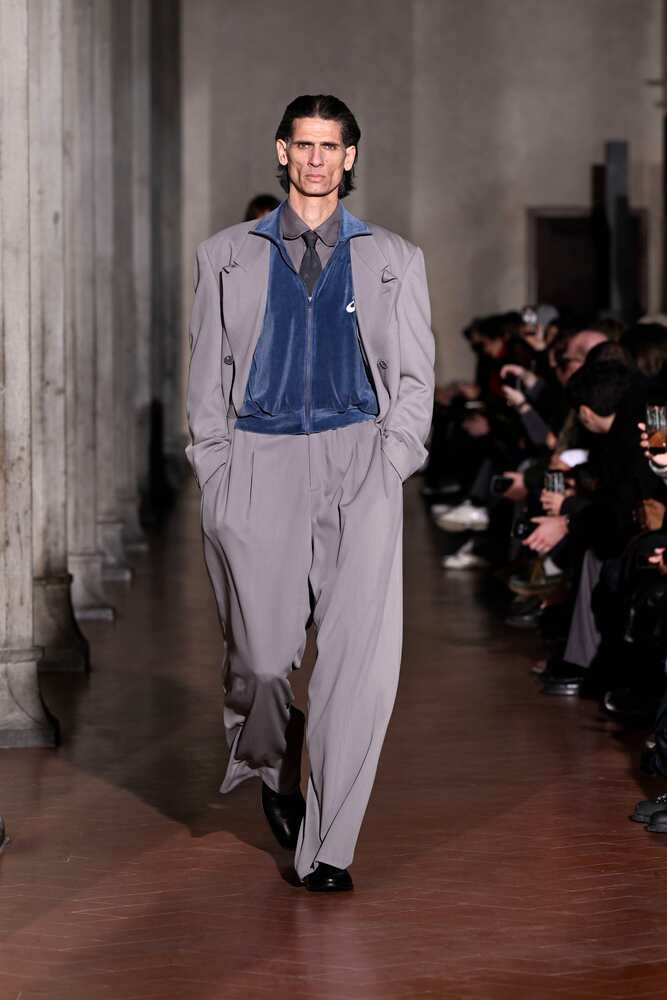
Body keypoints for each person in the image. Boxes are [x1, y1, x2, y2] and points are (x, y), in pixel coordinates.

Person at [185, 94, 435, 892]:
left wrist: (390, 463)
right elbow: (205, 375)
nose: (317, 158)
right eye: (304, 144)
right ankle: (275, 759)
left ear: (350, 156)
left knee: (357, 668)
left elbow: (414, 377)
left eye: (331, 145)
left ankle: (328, 848)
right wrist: (216, 469)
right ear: (282, 151)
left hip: (358, 458)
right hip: (256, 461)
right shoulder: (225, 255)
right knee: (261, 663)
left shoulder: (394, 257)